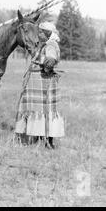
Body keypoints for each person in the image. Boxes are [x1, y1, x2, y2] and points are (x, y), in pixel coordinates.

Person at [15, 21, 64, 149]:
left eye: (41, 32)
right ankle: (38, 138)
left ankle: (47, 141)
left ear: (47, 34)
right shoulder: (46, 45)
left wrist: (42, 64)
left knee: (44, 111)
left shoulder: (51, 45)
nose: (39, 34)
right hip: (39, 83)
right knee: (41, 111)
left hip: (42, 83)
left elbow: (50, 61)